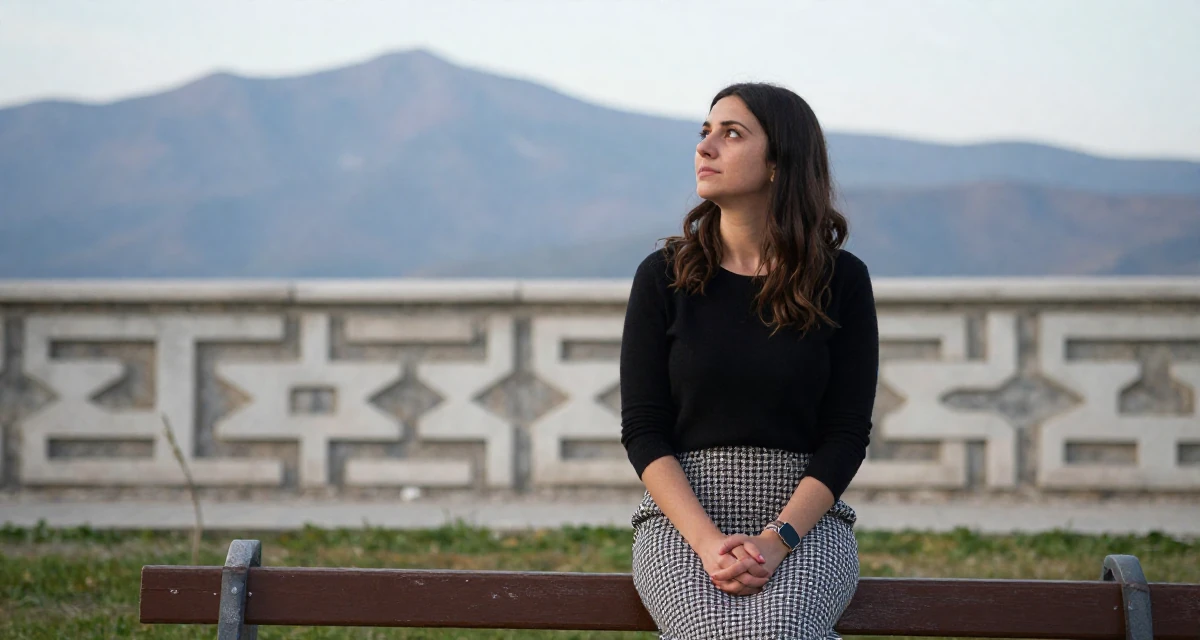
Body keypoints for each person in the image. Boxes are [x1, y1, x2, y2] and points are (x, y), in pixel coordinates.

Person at [619, 82, 879, 639]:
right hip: (681, 523)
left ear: (779, 163)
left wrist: (775, 540)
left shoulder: (842, 281)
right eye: (705, 132)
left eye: (731, 133)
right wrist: (708, 541)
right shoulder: (662, 277)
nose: (705, 147)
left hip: (805, 525)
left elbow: (846, 434)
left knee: (780, 630)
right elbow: (643, 429)